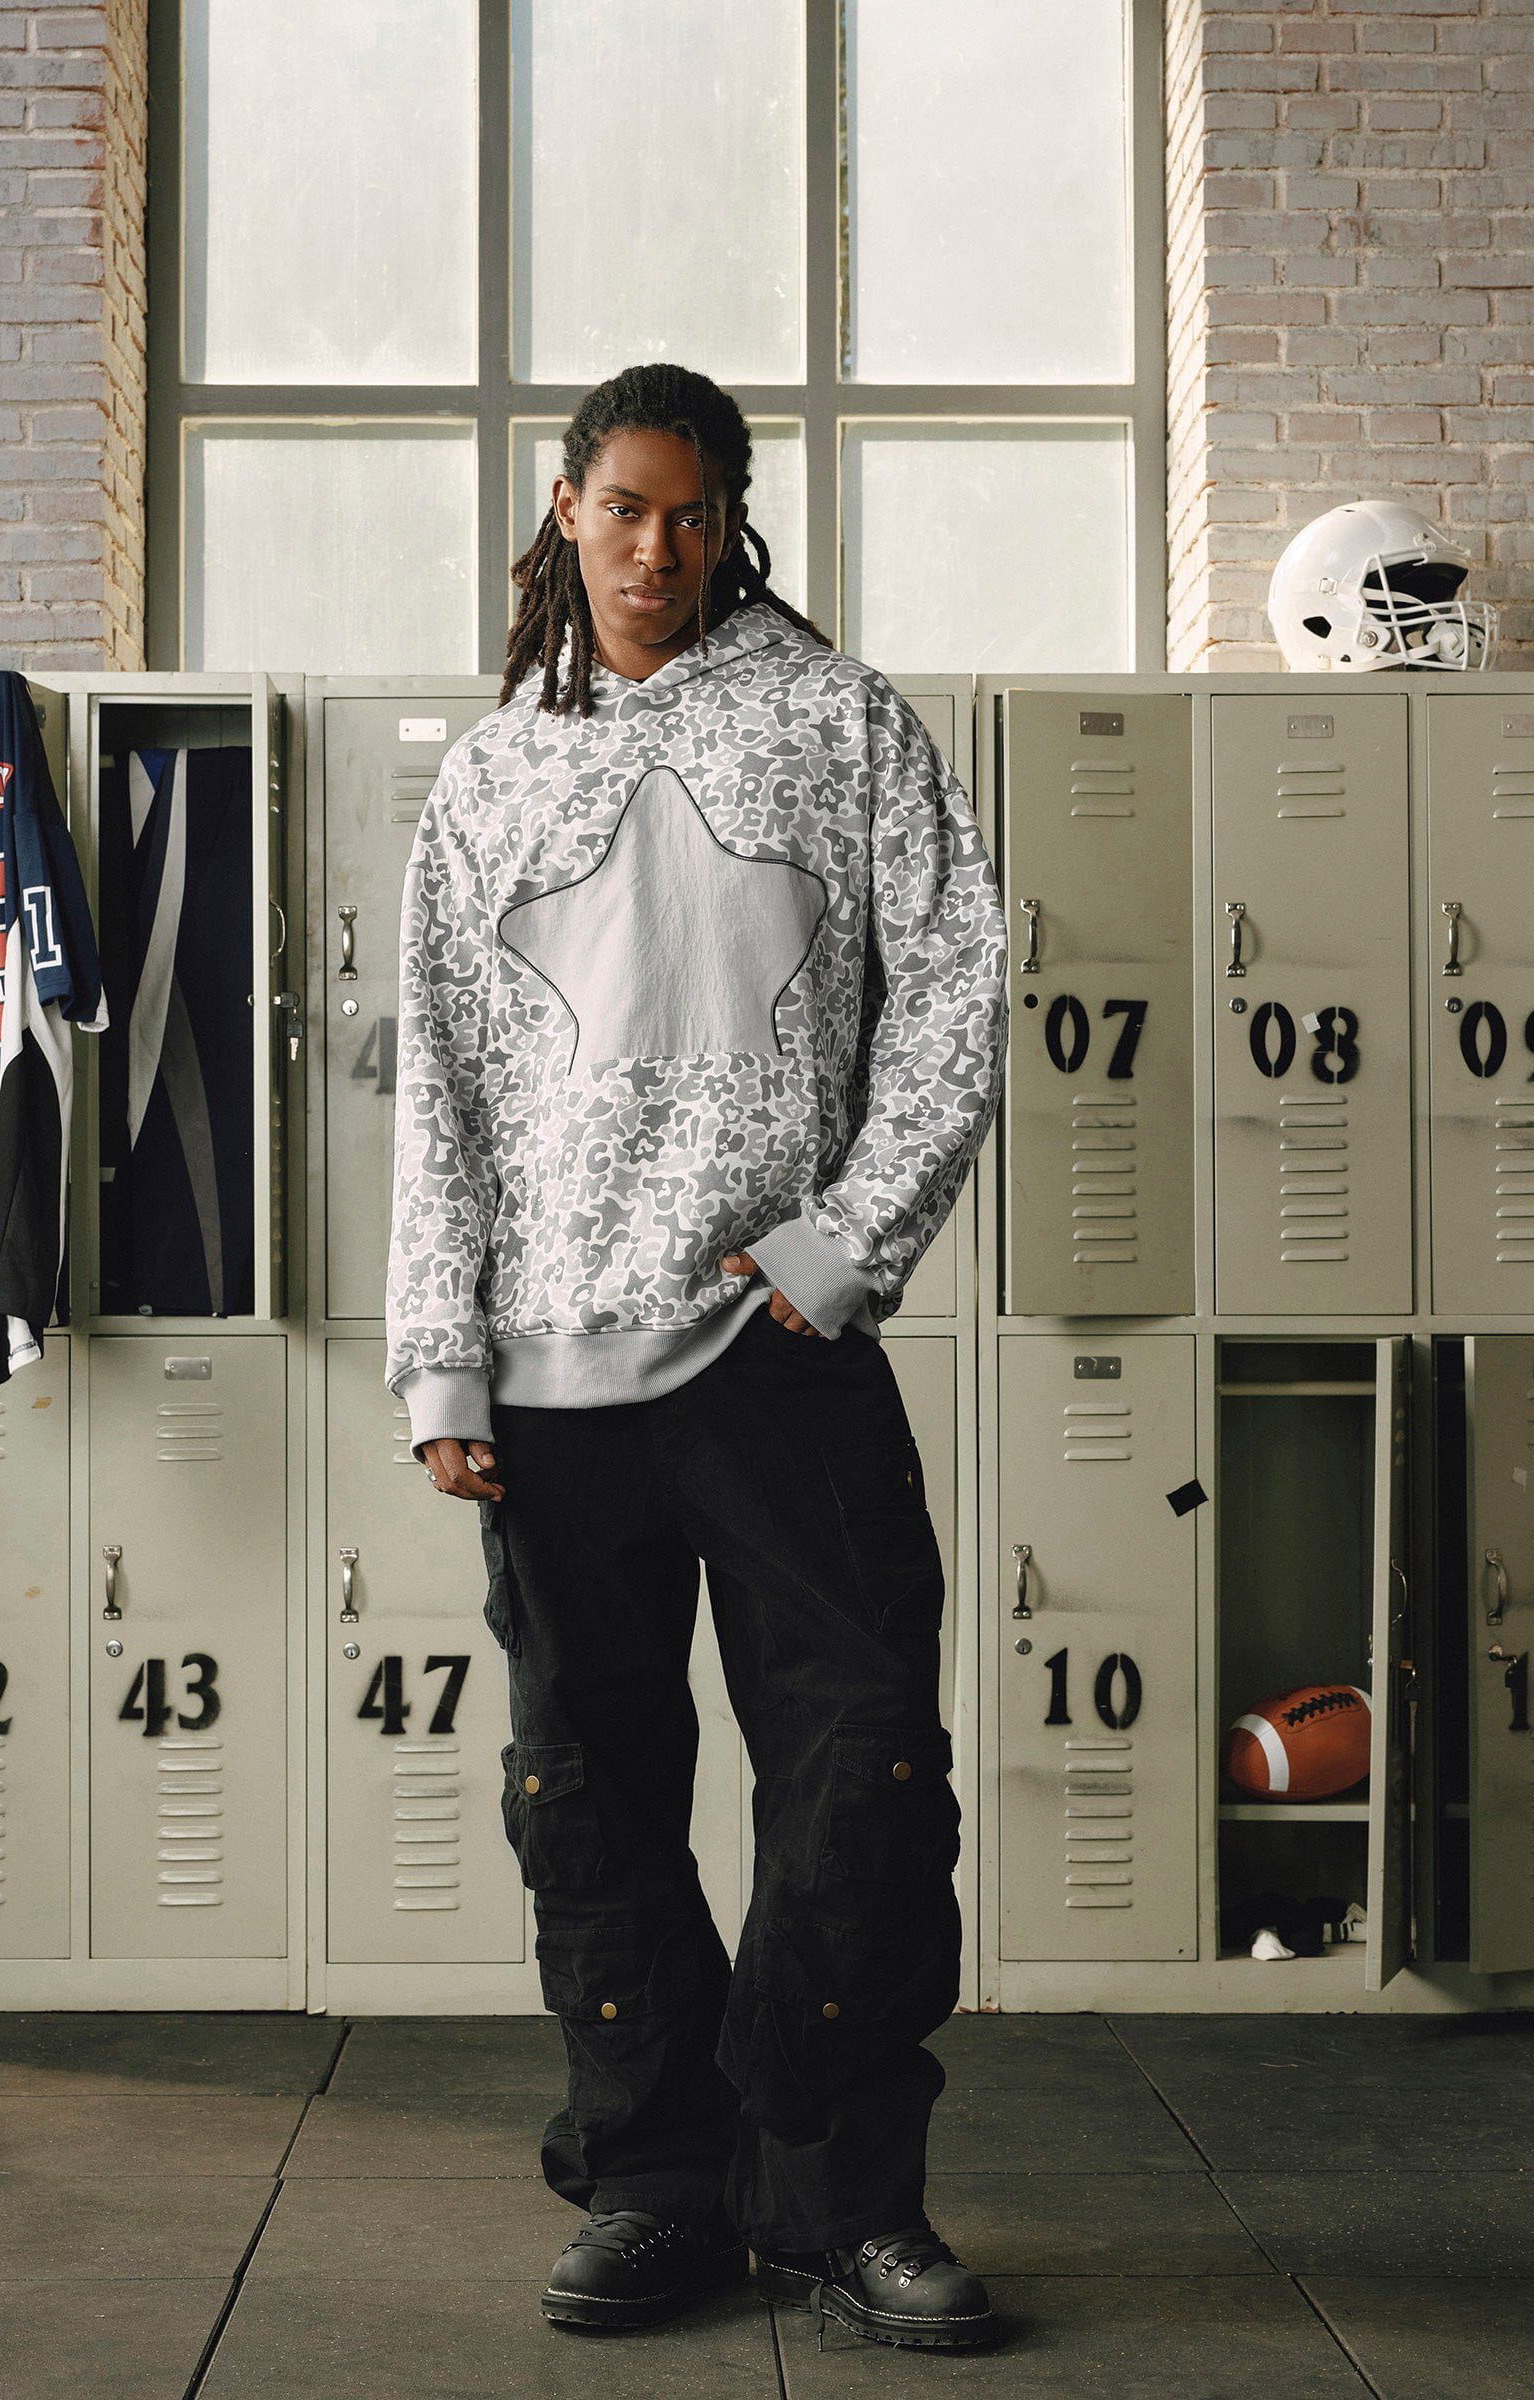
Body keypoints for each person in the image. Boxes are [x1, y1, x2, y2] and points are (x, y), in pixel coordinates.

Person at [384, 362, 1008, 2353]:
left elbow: (961, 981)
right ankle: (657, 2184)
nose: (654, 549)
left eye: (692, 514)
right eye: (622, 508)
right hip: (551, 1378)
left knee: (865, 1774)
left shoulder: (839, 721)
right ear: (564, 510)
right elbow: (443, 1090)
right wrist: (441, 1364)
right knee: (592, 1796)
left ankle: (838, 2197)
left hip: (776, 1346)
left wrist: (848, 1241)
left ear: (733, 523)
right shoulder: (492, 776)